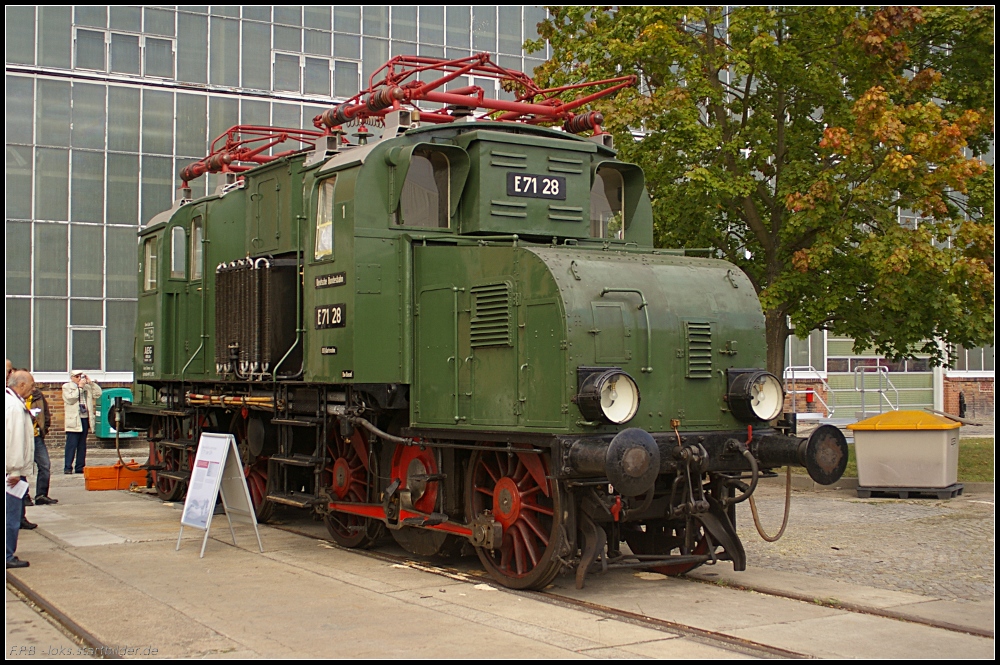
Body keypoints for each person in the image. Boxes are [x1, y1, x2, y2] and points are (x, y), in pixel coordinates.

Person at [6, 370, 36, 569]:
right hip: (11, 473)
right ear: (22, 385)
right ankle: (7, 554)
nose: (33, 390)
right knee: (11, 514)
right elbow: (14, 439)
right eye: (32, 386)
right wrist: (16, 469)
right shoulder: (15, 407)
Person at [62, 370, 102, 475]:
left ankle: (80, 466)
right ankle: (67, 467)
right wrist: (79, 388)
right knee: (71, 444)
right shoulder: (66, 387)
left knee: (82, 445)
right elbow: (71, 399)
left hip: (84, 418)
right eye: (77, 376)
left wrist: (91, 383)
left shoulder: (87, 388)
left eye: (81, 376)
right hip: (74, 419)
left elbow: (98, 394)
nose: (79, 378)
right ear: (72, 377)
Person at [26, 383, 56, 506]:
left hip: (36, 436)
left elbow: (45, 413)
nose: (32, 388)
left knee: (45, 465)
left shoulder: (38, 397)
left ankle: (41, 495)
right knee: (23, 469)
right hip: (23, 437)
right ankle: (23, 496)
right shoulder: (14, 399)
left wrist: (44, 428)